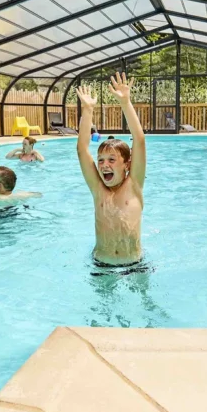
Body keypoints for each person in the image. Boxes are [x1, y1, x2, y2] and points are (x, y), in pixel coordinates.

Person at [76, 72, 146, 266]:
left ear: (127, 164)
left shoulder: (134, 186)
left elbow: (139, 140)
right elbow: (82, 150)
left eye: (112, 160)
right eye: (100, 160)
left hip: (134, 264)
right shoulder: (98, 190)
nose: (104, 165)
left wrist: (125, 103)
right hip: (101, 263)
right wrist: (88, 110)